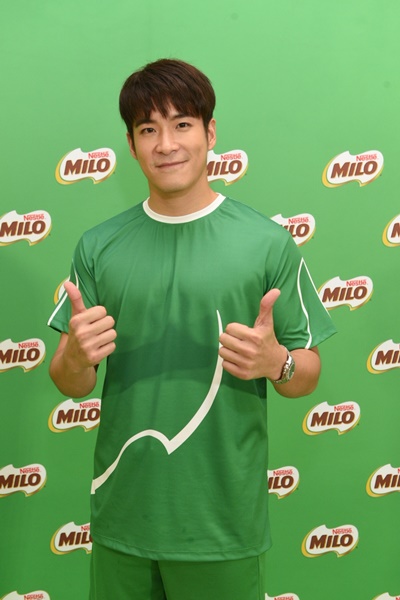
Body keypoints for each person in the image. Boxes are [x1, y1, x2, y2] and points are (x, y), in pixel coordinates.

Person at [48, 58, 336, 600]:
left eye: (181, 124)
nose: (166, 144)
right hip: (122, 519)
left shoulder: (267, 243)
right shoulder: (98, 246)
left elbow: (307, 374)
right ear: (131, 144)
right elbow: (70, 382)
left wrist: (276, 362)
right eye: (148, 129)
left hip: (222, 526)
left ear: (210, 132)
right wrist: (77, 358)